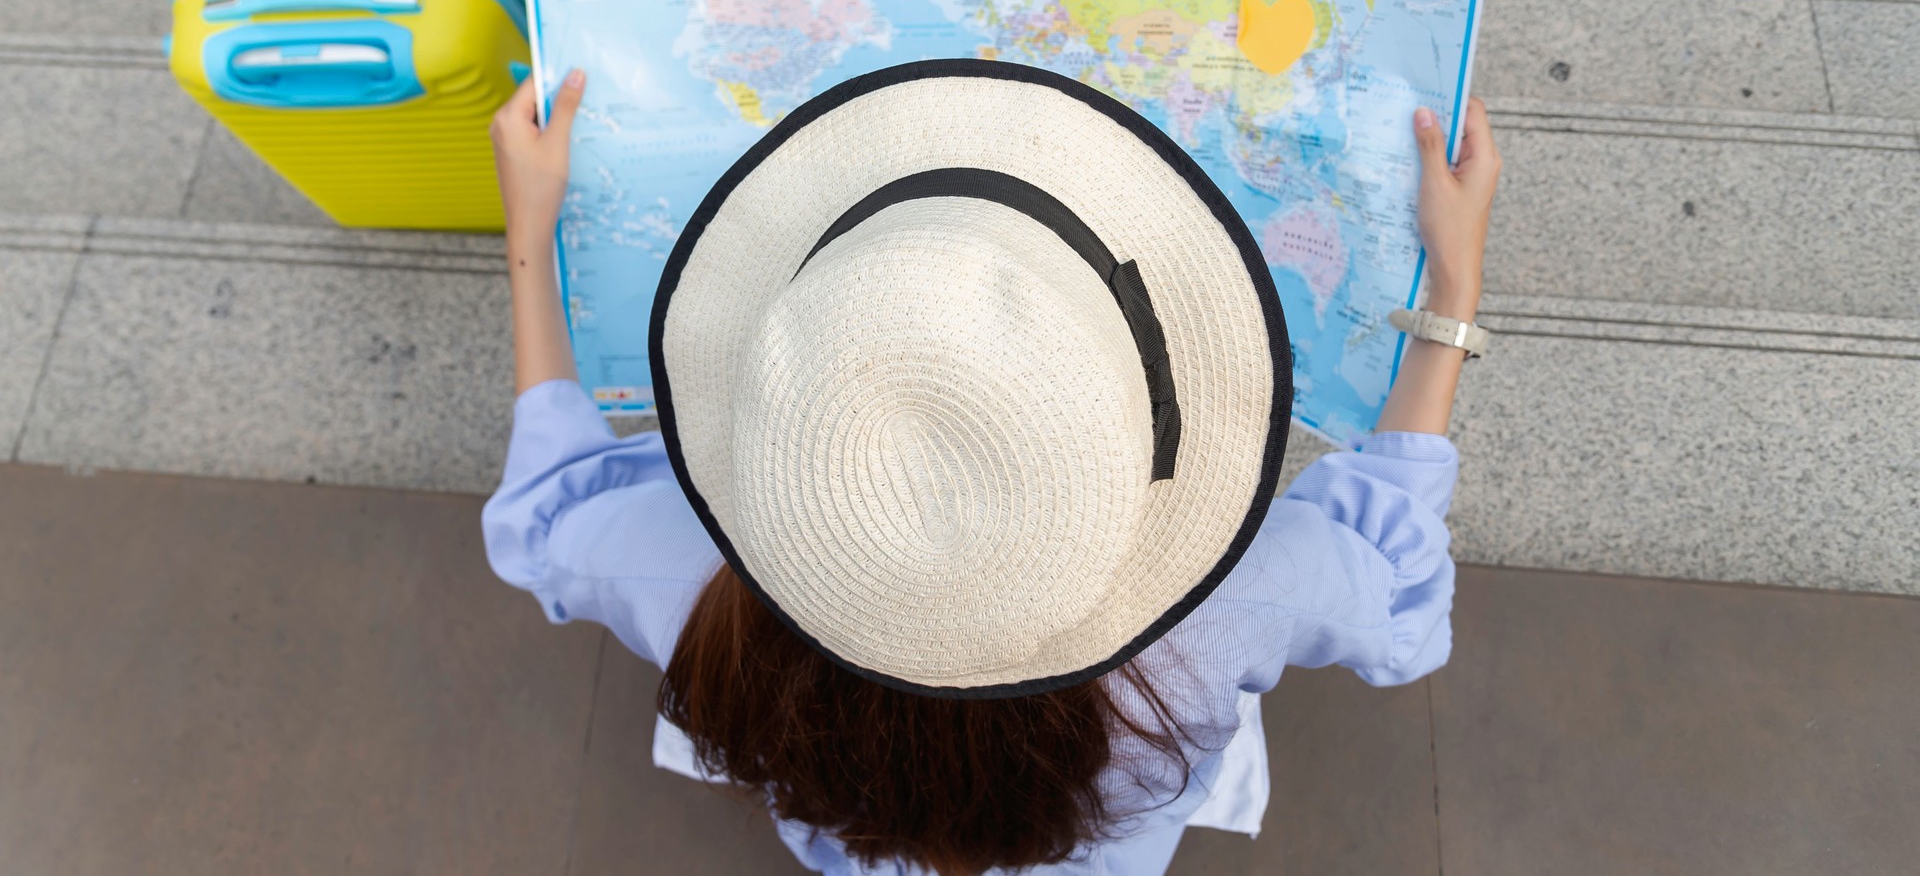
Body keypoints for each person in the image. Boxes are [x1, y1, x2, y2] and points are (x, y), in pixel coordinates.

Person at [484, 60, 1501, 876]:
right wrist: (1452, 289)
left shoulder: (676, 572)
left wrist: (529, 236)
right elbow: (1399, 593)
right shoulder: (1239, 598)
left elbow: (541, 514)